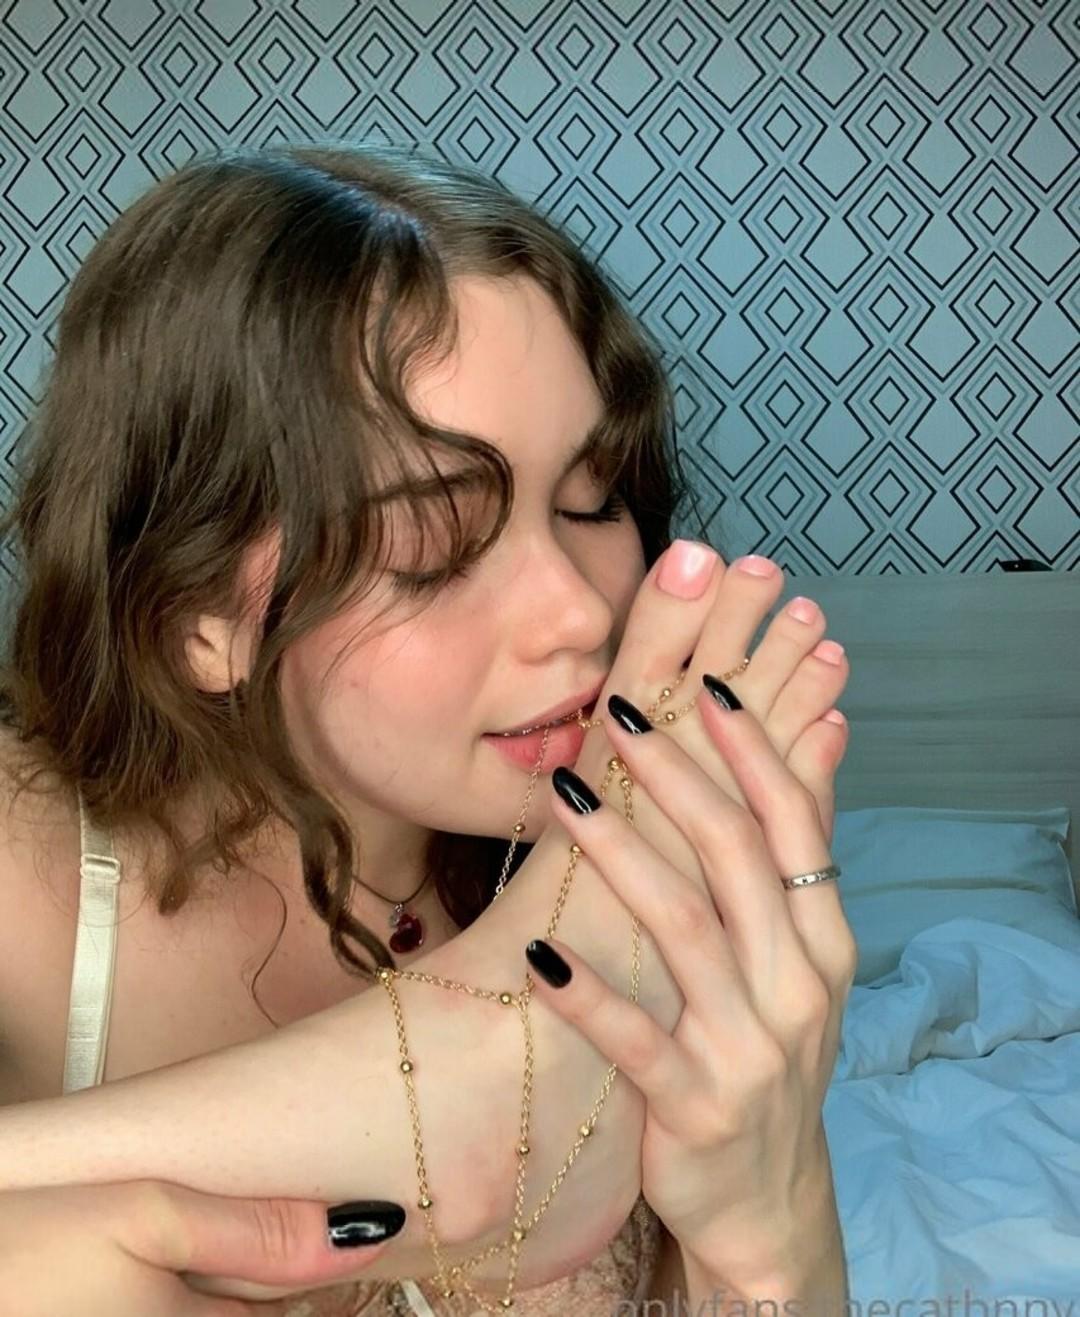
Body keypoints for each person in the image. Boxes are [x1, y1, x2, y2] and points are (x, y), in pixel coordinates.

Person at [0, 142, 855, 1314]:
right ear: (197, 615)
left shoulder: (653, 914)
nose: (579, 612)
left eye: (594, 499)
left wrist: (774, 1226)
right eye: (436, 546)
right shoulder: (23, 863)